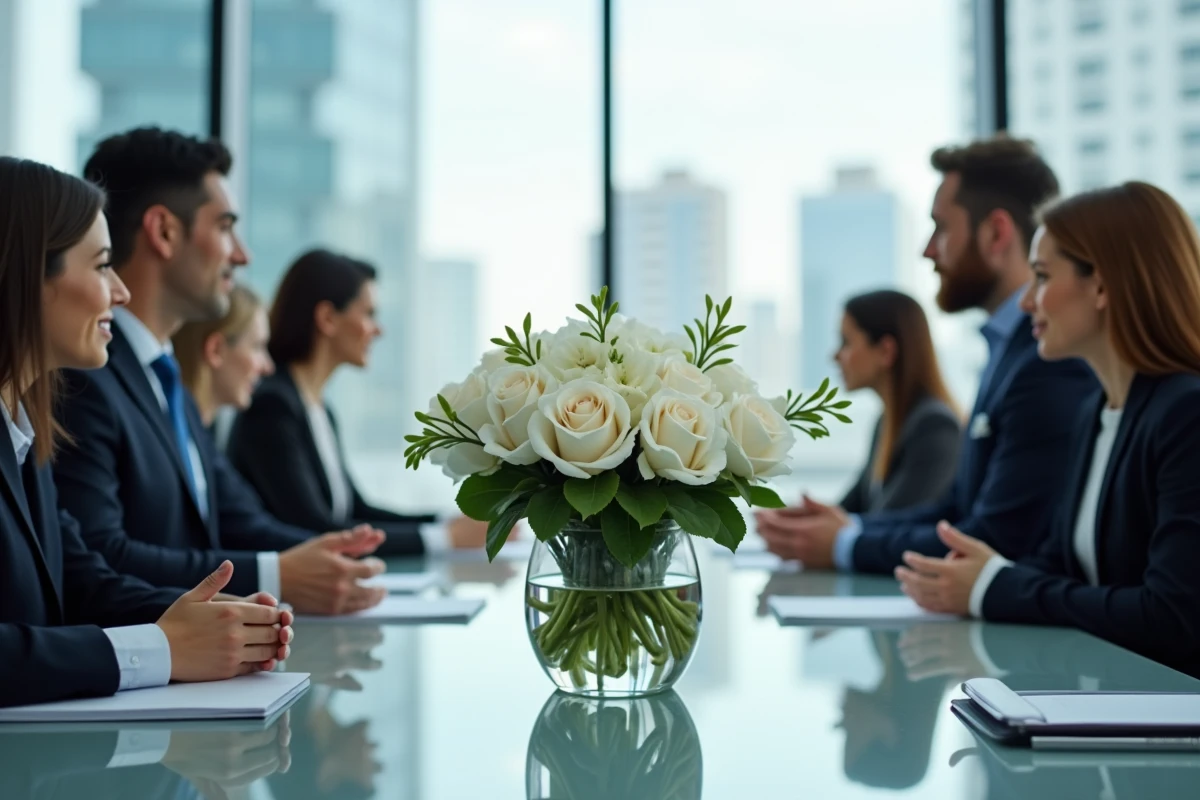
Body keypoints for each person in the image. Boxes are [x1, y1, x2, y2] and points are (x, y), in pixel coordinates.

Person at [52, 127, 388, 615]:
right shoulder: (84, 380)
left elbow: (239, 519)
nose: (242, 255)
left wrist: (335, 556)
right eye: (226, 226)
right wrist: (278, 573)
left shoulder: (167, 385)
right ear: (164, 232)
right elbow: (100, 555)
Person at [0, 156, 291, 707]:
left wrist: (221, 623)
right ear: (26, 274)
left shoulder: (25, 435)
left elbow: (82, 578)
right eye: (102, 266)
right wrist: (160, 649)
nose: (121, 291)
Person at [898, 182, 1200, 679]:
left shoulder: (1185, 416)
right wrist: (974, 576)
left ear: (1101, 287)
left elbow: (1171, 618)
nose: (1026, 303)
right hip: (1111, 702)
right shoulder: (1095, 411)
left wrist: (997, 585)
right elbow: (1063, 564)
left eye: (1041, 277)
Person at [756, 136, 1096, 573]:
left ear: (996, 233)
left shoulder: (1047, 364)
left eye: (941, 227)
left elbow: (995, 538)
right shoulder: (1008, 353)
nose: (928, 249)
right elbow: (956, 509)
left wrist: (846, 543)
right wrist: (848, 531)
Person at [226, 249, 487, 555]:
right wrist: (445, 539)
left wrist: (445, 522)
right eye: (368, 314)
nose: (378, 329)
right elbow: (315, 529)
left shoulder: (318, 408)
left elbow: (356, 512)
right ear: (327, 318)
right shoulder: (273, 407)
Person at [830, 290, 961, 515]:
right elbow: (850, 510)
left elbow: (888, 527)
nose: (835, 356)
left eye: (846, 342)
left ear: (885, 350)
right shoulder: (888, 422)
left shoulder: (934, 427)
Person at [172, 282, 274, 449]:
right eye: (257, 347)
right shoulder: (177, 442)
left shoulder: (206, 446)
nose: (268, 367)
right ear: (216, 350)